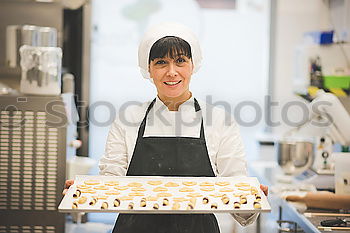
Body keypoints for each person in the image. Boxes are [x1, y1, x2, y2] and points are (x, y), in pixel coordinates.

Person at [64, 22, 268, 233]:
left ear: (193, 65)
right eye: (161, 62)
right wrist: (84, 193)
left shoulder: (219, 121)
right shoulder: (128, 119)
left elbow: (234, 189)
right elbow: (112, 183)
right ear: (149, 70)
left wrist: (251, 197)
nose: (172, 72)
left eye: (180, 60)